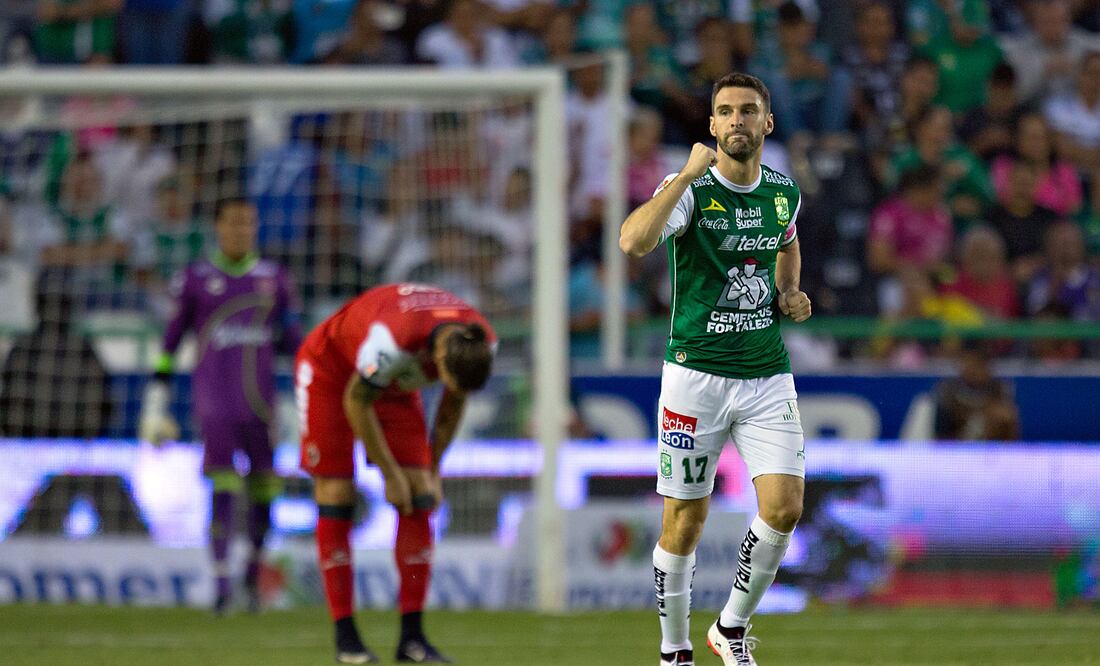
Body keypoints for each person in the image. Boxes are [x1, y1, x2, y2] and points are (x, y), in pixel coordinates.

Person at [620, 72, 812, 666]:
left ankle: (730, 629)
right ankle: (674, 649)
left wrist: (789, 290)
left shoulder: (782, 190)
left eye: (748, 111)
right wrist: (683, 175)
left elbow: (785, 238)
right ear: (711, 125)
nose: (736, 121)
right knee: (685, 518)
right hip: (694, 376)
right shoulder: (691, 191)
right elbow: (633, 241)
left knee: (784, 507)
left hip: (765, 373)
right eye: (725, 112)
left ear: (766, 123)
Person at [295, 282, 495, 664]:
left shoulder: (477, 342)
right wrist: (388, 473)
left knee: (419, 492)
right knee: (337, 492)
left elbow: (454, 403)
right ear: (437, 357)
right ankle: (346, 637)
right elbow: (357, 400)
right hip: (332, 372)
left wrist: (433, 469)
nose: (450, 390)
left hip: (392, 382)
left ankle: (412, 639)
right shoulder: (391, 340)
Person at [138, 197, 304, 614]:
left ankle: (253, 571)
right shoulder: (195, 278)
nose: (241, 231)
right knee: (224, 484)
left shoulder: (275, 279)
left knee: (266, 487)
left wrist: (306, 393)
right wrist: (157, 396)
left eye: (248, 223)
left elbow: (294, 341)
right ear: (217, 227)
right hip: (214, 400)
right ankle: (221, 581)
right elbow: (171, 340)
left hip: (262, 403)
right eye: (233, 222)